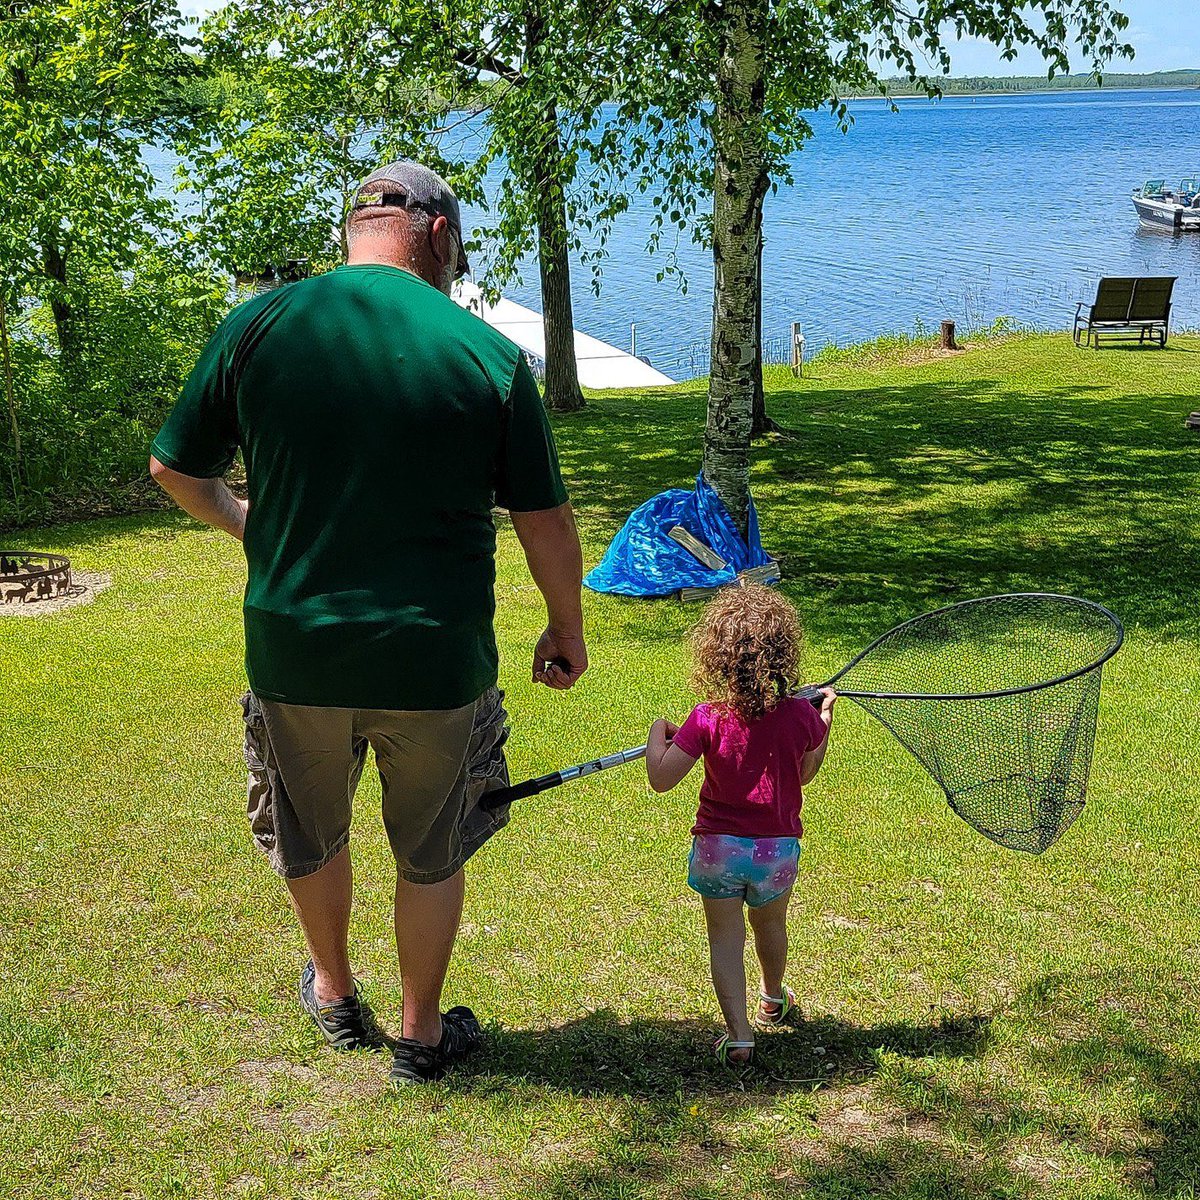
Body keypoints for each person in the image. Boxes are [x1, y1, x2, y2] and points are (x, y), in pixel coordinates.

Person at [149, 160, 587, 1086]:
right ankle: (421, 1034)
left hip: (295, 648)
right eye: (459, 244)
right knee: (430, 850)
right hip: (435, 662)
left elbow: (174, 467)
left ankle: (338, 994)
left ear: (356, 229)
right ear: (434, 232)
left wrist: (248, 526)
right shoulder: (486, 354)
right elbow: (543, 517)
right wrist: (564, 627)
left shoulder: (258, 326)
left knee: (312, 831)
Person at [644, 583, 834, 1068]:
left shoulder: (707, 716)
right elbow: (806, 772)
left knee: (725, 938)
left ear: (715, 656)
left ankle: (740, 1035)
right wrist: (825, 722)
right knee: (770, 925)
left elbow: (662, 778)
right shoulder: (800, 715)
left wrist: (657, 736)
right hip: (776, 852)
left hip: (717, 852)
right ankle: (773, 997)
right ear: (785, 654)